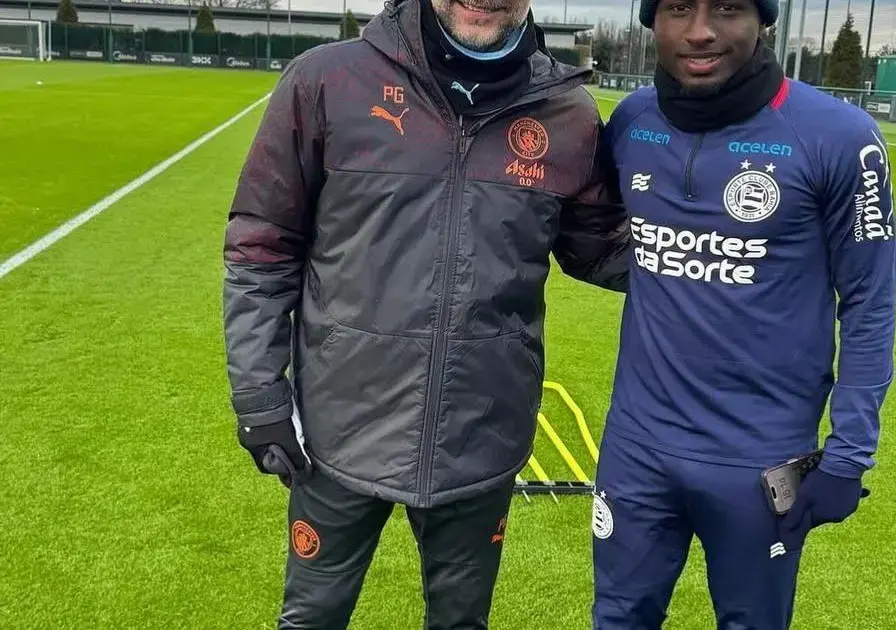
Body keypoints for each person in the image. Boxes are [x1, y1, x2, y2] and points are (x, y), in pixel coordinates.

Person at [220, 0, 629, 625]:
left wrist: (742, 248)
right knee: (311, 619)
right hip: (339, 432)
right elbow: (261, 245)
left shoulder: (567, 113)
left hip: (482, 435)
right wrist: (258, 394)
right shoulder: (326, 80)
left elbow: (600, 249)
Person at [590, 0, 896, 628]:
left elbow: (869, 303)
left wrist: (848, 454)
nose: (700, 32)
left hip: (759, 458)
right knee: (619, 617)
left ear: (764, 21)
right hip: (637, 447)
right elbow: (603, 238)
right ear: (653, 21)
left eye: (728, 8)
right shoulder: (630, 119)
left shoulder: (838, 135)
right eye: (678, 9)